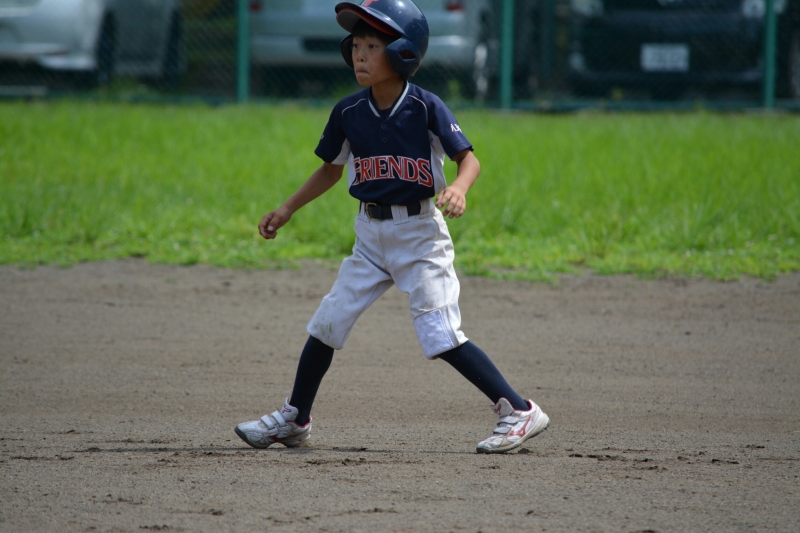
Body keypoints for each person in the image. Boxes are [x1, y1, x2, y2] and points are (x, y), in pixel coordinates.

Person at [235, 0, 549, 454]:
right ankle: (295, 417)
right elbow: (330, 170)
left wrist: (459, 188)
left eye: (372, 46)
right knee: (327, 322)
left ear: (403, 52)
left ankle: (519, 410)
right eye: (356, 46)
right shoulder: (348, 112)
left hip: (421, 236)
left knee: (440, 334)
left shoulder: (424, 107)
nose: (360, 55)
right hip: (370, 236)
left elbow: (469, 160)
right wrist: (287, 209)